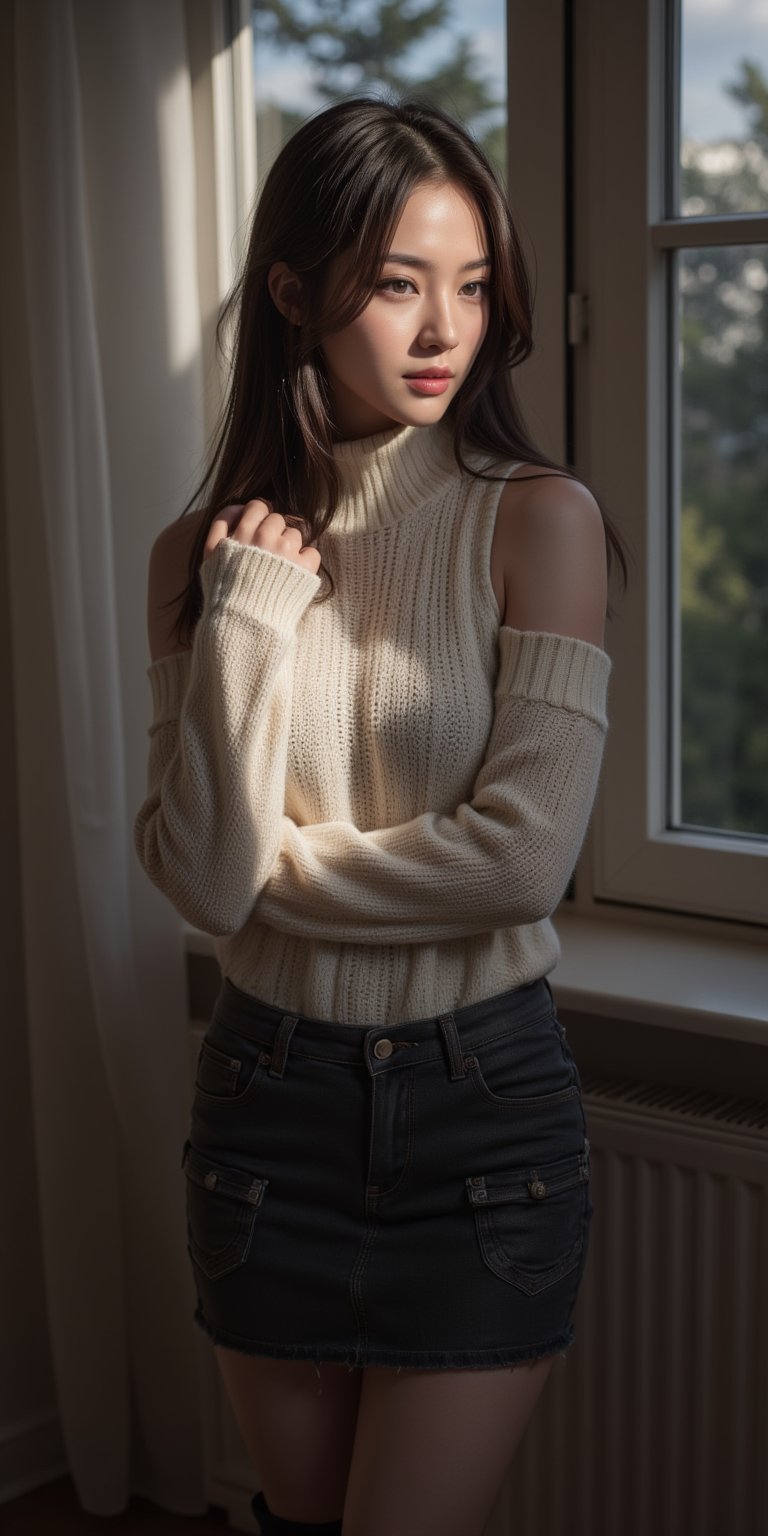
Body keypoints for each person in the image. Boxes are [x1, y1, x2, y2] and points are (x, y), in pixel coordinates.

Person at [133, 94, 628, 1536]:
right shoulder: (200, 555)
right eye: (399, 282)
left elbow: (525, 856)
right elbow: (204, 890)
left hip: (483, 1114)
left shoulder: (539, 520)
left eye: (471, 286)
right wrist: (246, 621)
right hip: (268, 1105)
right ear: (294, 291)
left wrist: (276, 866)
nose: (443, 329)